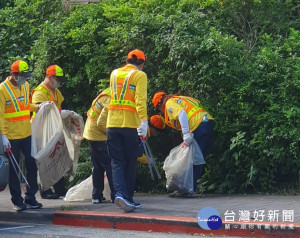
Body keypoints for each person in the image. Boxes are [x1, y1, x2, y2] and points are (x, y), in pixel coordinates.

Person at [107, 49, 148, 212]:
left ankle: (121, 195)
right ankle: (127, 197)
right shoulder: (140, 75)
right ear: (142, 63)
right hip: (130, 125)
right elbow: (140, 100)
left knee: (117, 162)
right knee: (131, 160)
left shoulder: (114, 73)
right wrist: (144, 121)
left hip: (112, 124)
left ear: (127, 61)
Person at [152, 91, 214, 197]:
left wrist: (186, 134)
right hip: (207, 122)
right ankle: (189, 187)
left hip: (197, 125)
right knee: (198, 157)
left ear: (159, 104)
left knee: (192, 159)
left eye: (158, 109)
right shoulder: (181, 99)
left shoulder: (169, 103)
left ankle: (188, 189)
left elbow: (181, 113)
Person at [0, 60, 42, 211]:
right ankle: (17, 201)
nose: (24, 79)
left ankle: (30, 196)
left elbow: (24, 107)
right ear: (13, 74)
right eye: (22, 76)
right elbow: (0, 115)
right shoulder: (2, 89)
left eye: (26, 76)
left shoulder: (25, 86)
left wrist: (37, 107)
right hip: (10, 136)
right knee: (14, 169)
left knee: (32, 163)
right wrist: (3, 136)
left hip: (26, 133)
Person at [30, 64, 68, 199]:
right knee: (44, 160)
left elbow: (61, 106)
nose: (58, 83)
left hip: (54, 130)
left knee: (56, 158)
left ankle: (59, 188)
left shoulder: (56, 92)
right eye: (57, 79)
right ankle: (44, 190)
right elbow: (41, 113)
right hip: (42, 130)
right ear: (50, 77)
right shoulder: (40, 92)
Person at [83, 88, 115, 204]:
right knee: (110, 165)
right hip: (99, 135)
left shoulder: (109, 92)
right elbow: (101, 123)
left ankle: (96, 196)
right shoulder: (112, 98)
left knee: (97, 166)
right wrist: (113, 134)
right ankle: (115, 195)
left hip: (91, 133)